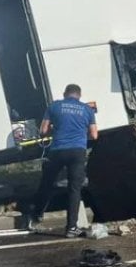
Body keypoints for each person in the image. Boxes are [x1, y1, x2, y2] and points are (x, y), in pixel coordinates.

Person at [29, 84, 98, 238]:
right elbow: (94, 135)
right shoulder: (87, 110)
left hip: (58, 150)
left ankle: (36, 214)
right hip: (78, 151)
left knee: (47, 182)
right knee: (75, 189)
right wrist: (80, 134)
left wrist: (56, 129)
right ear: (79, 95)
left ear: (65, 94)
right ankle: (71, 228)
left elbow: (43, 131)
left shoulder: (54, 106)